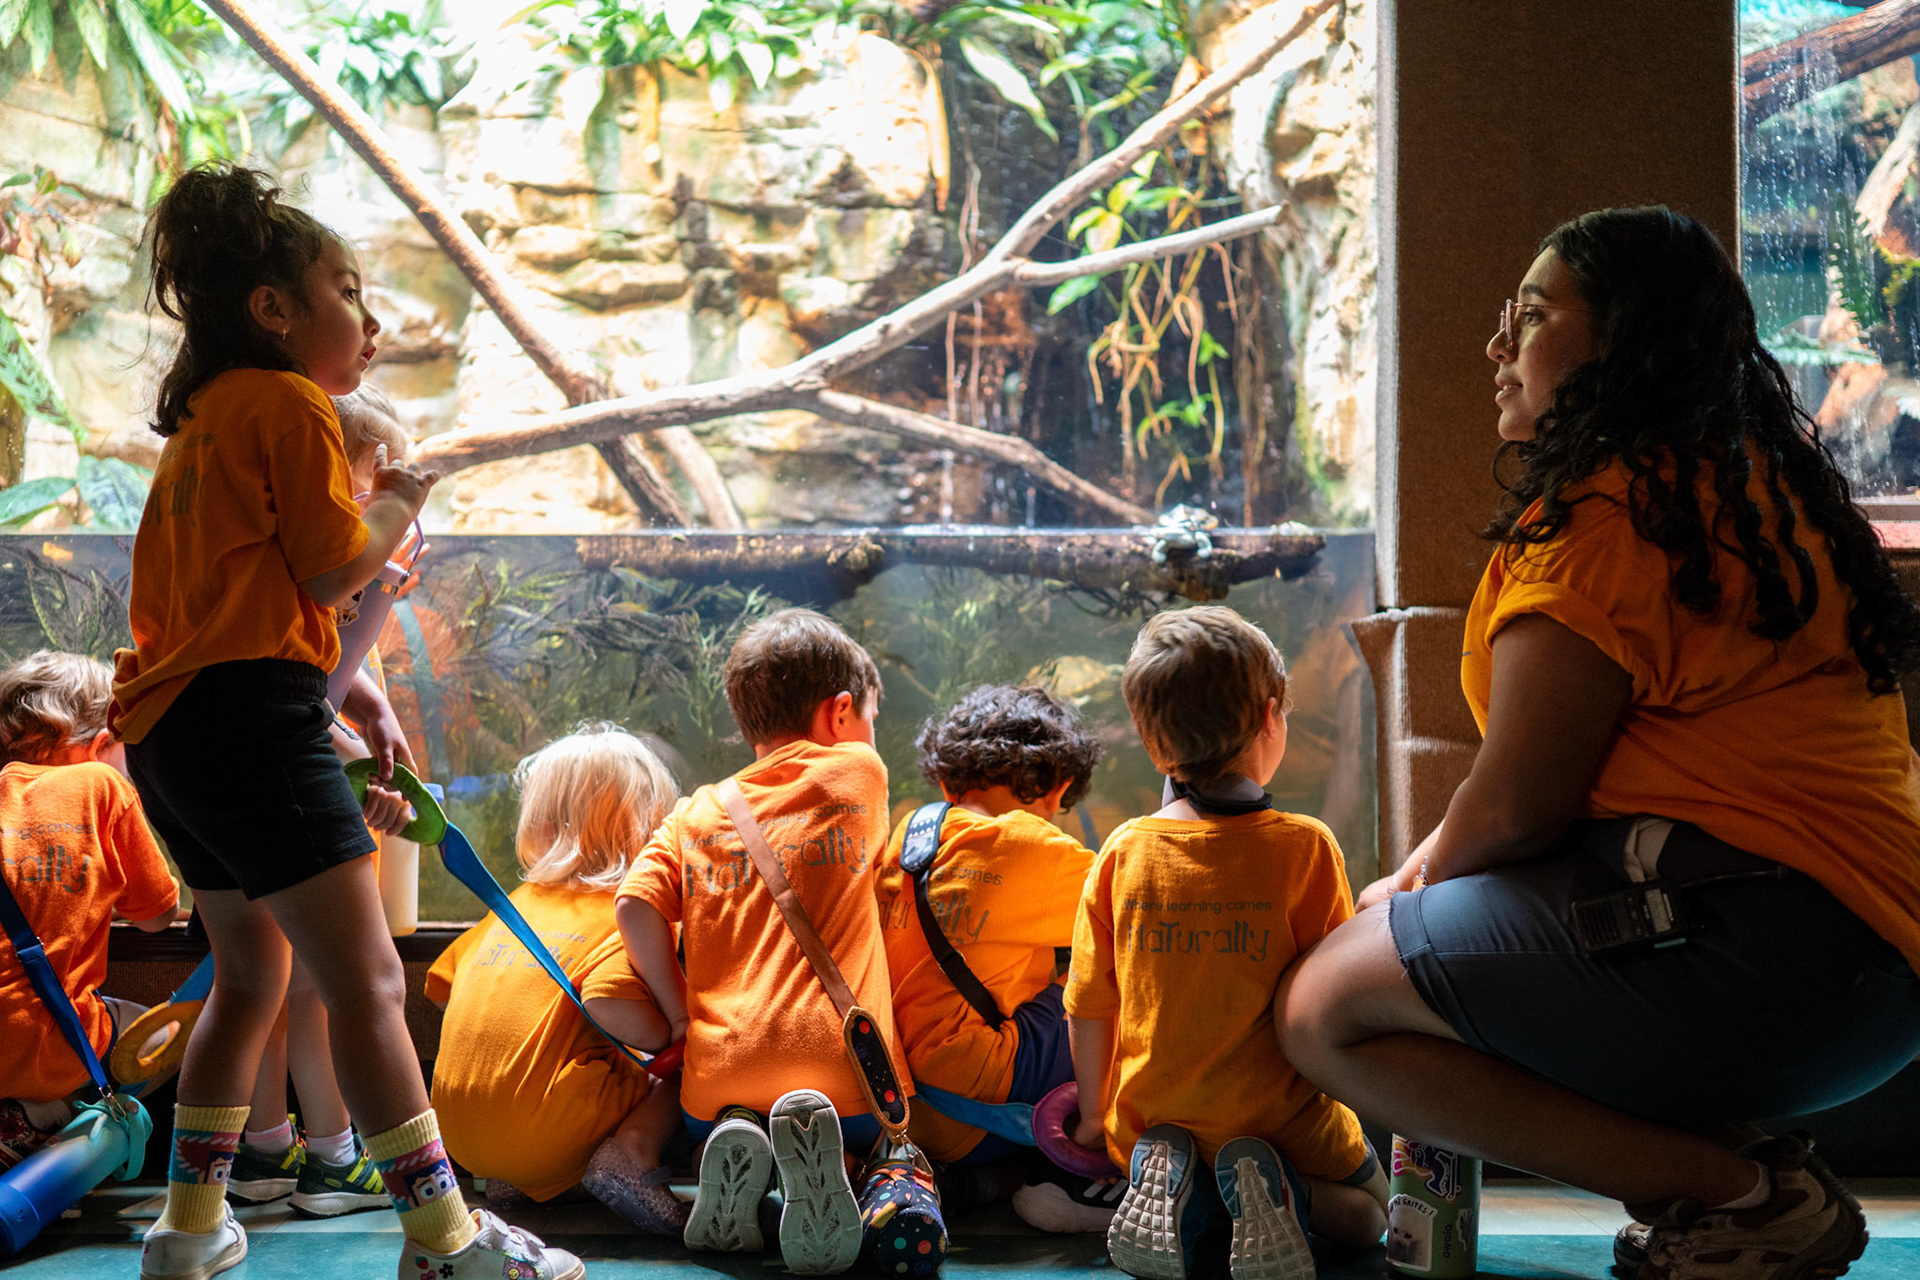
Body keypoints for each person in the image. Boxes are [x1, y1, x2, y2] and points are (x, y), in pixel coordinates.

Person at [1277, 206, 1920, 1280]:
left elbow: (1520, 804)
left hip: (1771, 949)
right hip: (1878, 978)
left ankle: (1742, 1195)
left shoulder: (1610, 516)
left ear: (1622, 339)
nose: (1496, 347)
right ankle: (1740, 1177)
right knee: (1405, 938)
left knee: (1324, 1007)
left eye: (1531, 316)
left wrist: (1404, 888)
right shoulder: (1748, 490)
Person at [111, 162, 580, 1280]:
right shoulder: (287, 403)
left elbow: (245, 600)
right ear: (275, 310)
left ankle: (187, 1227)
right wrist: (398, 500)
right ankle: (446, 1239)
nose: (370, 319)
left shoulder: (203, 425)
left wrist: (353, 686)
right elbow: (331, 572)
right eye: (349, 290)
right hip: (250, 726)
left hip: (170, 733)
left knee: (248, 977)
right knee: (371, 983)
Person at [1066, 607, 1388, 1280]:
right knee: (1370, 1215)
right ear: (1270, 718)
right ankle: (1275, 1195)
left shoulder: (1122, 853)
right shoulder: (1304, 847)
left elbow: (1090, 1007)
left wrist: (1096, 1123)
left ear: (1153, 745)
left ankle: (1192, 1198)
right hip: (1279, 1126)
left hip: (1154, 1124)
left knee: (1167, 1155)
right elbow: (1329, 1003)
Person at [617, 607, 940, 1275]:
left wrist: (680, 1017)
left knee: (727, 1113)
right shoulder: (858, 775)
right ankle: (842, 1171)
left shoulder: (698, 810)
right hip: (846, 1082)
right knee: (900, 1152)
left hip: (714, 1084)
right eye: (869, 719)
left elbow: (633, 906)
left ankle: (746, 1155)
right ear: (840, 712)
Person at [224, 383, 417, 1219]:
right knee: (331, 981)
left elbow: (316, 659)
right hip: (280, 759)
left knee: (260, 980)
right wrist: (350, 760)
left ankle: (262, 1155)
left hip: (229, 762)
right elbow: (290, 687)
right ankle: (338, 1159)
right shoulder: (334, 543)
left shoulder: (292, 541)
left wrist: (369, 707)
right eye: (381, 477)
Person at [426, 723, 686, 1232]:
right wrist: (668, 1034)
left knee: (563, 1063)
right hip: (545, 1129)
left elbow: (443, 990)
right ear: (651, 825)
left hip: (457, 1140)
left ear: (538, 824)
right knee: (687, 1064)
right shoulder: (631, 914)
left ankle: (521, 1179)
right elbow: (612, 1005)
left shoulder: (509, 910)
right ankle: (630, 1157)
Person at [868, 685, 1100, 1217]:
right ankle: (1088, 1177)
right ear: (1058, 787)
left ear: (947, 781)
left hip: (902, 1109)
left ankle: (981, 1183)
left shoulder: (908, 837)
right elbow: (1145, 907)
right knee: (1110, 991)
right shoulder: (1036, 848)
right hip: (983, 1106)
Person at [0, 652, 179, 1168]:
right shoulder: (101, 786)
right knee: (164, 1034)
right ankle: (42, 1117)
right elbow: (157, 915)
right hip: (49, 1047)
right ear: (103, 743)